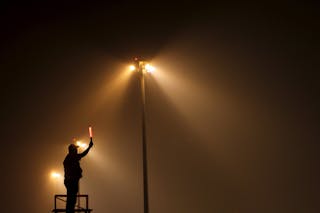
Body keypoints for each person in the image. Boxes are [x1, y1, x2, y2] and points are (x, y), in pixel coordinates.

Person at [63, 139, 93, 213]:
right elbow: (82, 154)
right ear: (72, 150)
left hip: (71, 181)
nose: (77, 150)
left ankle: (70, 211)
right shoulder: (71, 158)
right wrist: (89, 147)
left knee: (72, 199)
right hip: (71, 181)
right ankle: (70, 212)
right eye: (75, 149)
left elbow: (81, 155)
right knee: (71, 199)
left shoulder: (71, 157)